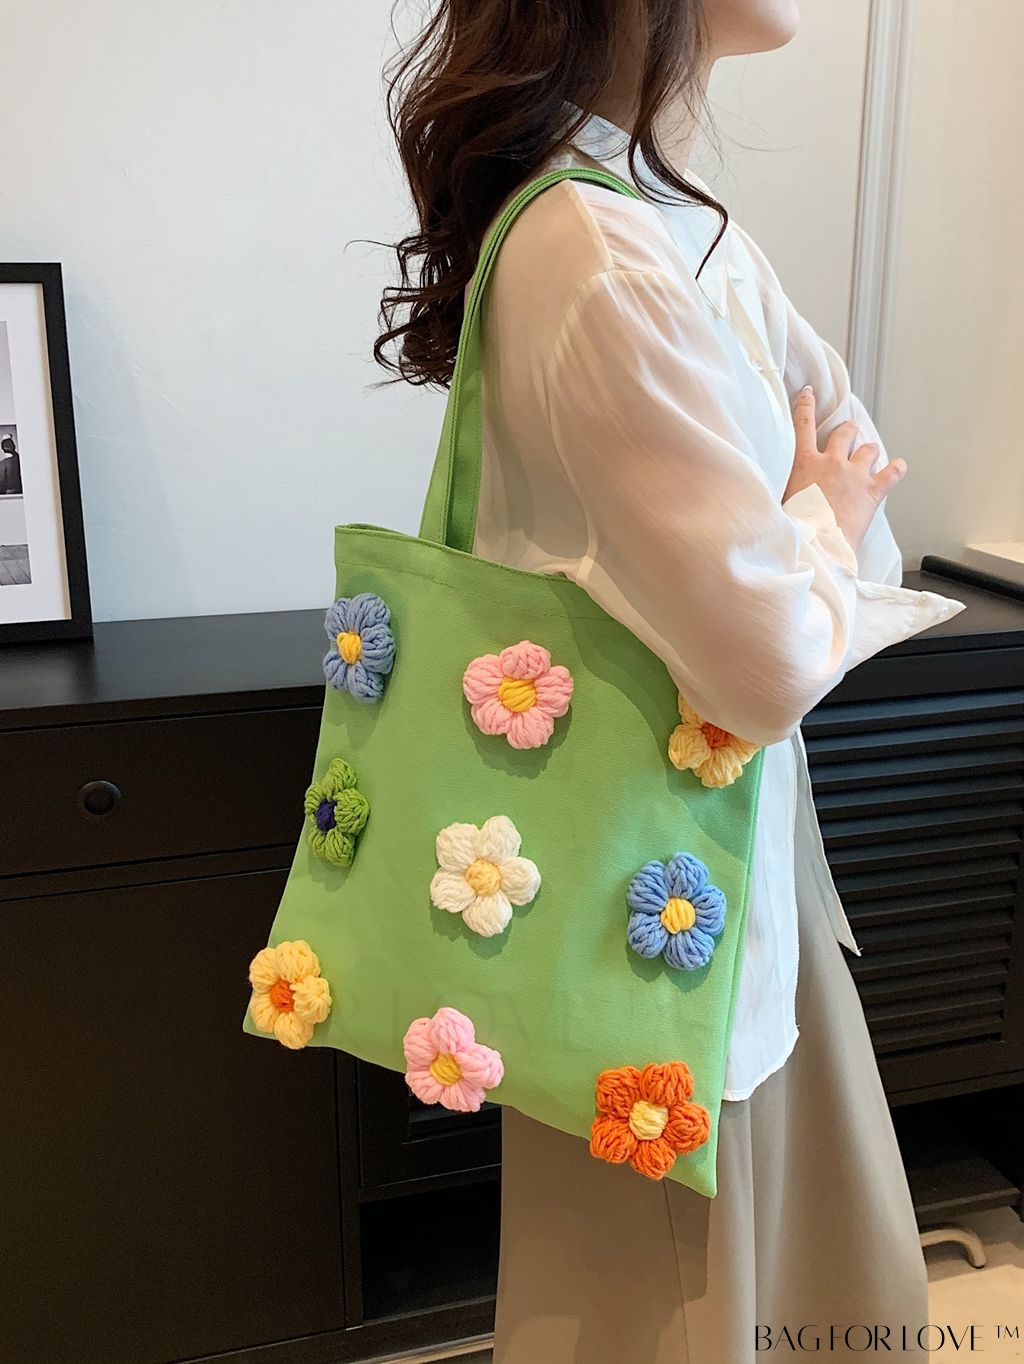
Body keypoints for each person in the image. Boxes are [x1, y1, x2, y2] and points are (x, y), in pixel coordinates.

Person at [374, 2, 967, 1358]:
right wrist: (812, 526)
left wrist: (813, 533)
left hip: (727, 875)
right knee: (672, 1306)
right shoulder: (594, 249)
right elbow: (772, 657)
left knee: (771, 1286)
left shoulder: (673, 225)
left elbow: (861, 493)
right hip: (656, 907)